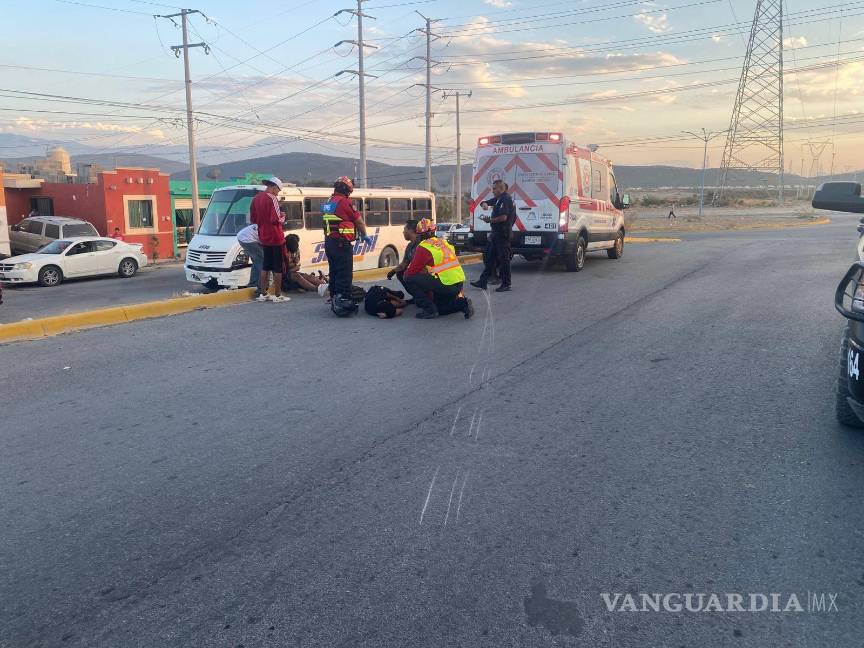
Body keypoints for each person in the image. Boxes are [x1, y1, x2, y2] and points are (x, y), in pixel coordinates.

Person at [403, 218, 474, 320]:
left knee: (408, 277)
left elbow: (411, 272)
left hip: (446, 284)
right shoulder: (444, 242)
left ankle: (429, 309)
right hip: (458, 283)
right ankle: (463, 304)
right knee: (440, 309)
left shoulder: (423, 247)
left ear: (419, 235)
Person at [322, 176, 372, 316]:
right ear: (346, 190)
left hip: (329, 242)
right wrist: (364, 234)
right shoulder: (345, 202)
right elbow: (359, 221)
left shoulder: (329, 202)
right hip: (341, 244)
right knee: (344, 273)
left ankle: (334, 296)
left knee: (334, 271)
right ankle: (343, 300)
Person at [249, 176, 290, 303]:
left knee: (265, 266)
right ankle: (277, 295)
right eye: (278, 190)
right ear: (274, 187)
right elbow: (275, 220)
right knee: (278, 267)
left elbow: (253, 219)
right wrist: (283, 216)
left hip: (263, 236)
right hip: (276, 237)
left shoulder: (256, 199)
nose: (278, 193)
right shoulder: (272, 198)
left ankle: (263, 294)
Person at [471, 179, 515, 292]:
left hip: (503, 234)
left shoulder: (506, 199)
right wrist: (484, 204)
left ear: (501, 188)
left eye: (494, 189)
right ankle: (483, 281)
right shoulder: (499, 198)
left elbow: (503, 217)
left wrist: (490, 220)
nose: (493, 191)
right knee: (490, 259)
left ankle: (506, 284)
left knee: (504, 260)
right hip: (496, 234)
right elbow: (486, 202)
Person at [386, 219, 419, 300]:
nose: (403, 232)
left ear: (411, 231)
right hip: (418, 273)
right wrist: (393, 271)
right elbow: (404, 263)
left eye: (405, 229)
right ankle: (417, 296)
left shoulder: (421, 244)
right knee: (400, 273)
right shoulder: (410, 246)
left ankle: (424, 300)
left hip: (427, 274)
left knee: (408, 276)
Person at [236, 222, 263, 291]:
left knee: (257, 261)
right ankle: (261, 287)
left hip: (242, 237)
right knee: (262, 262)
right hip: (248, 239)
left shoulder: (265, 225)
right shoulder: (268, 230)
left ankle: (253, 283)